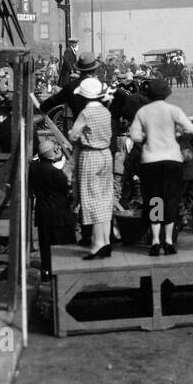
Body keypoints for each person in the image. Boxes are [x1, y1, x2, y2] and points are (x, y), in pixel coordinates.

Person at [129, 78, 193, 256]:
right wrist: (177, 133)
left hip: (150, 160)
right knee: (171, 199)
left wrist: (146, 137)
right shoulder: (173, 110)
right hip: (172, 159)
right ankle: (168, 241)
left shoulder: (143, 111)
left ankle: (155, 241)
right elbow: (191, 128)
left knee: (154, 199)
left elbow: (134, 135)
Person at [72, 78, 116, 260]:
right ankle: (105, 241)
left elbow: (74, 134)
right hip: (106, 154)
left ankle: (97, 243)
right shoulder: (106, 111)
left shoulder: (85, 113)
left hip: (90, 155)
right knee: (105, 198)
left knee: (92, 198)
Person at [30, 138, 76, 280]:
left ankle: (47, 270)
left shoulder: (34, 168)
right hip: (58, 212)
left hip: (43, 211)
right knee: (60, 244)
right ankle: (60, 271)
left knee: (45, 244)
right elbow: (67, 188)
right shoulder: (55, 173)